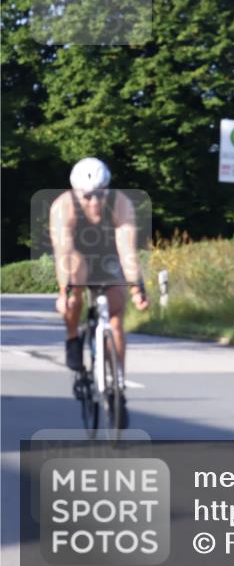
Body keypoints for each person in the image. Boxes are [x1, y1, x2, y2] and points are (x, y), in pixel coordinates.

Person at [48, 157, 149, 398]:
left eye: (100, 194)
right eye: (87, 196)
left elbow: (127, 249)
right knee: (75, 287)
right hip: (76, 255)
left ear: (107, 190)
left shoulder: (120, 203)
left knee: (116, 320)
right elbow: (64, 252)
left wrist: (137, 289)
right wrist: (65, 292)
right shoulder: (63, 206)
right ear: (76, 192)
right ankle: (73, 337)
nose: (94, 202)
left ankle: (118, 384)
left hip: (107, 254)